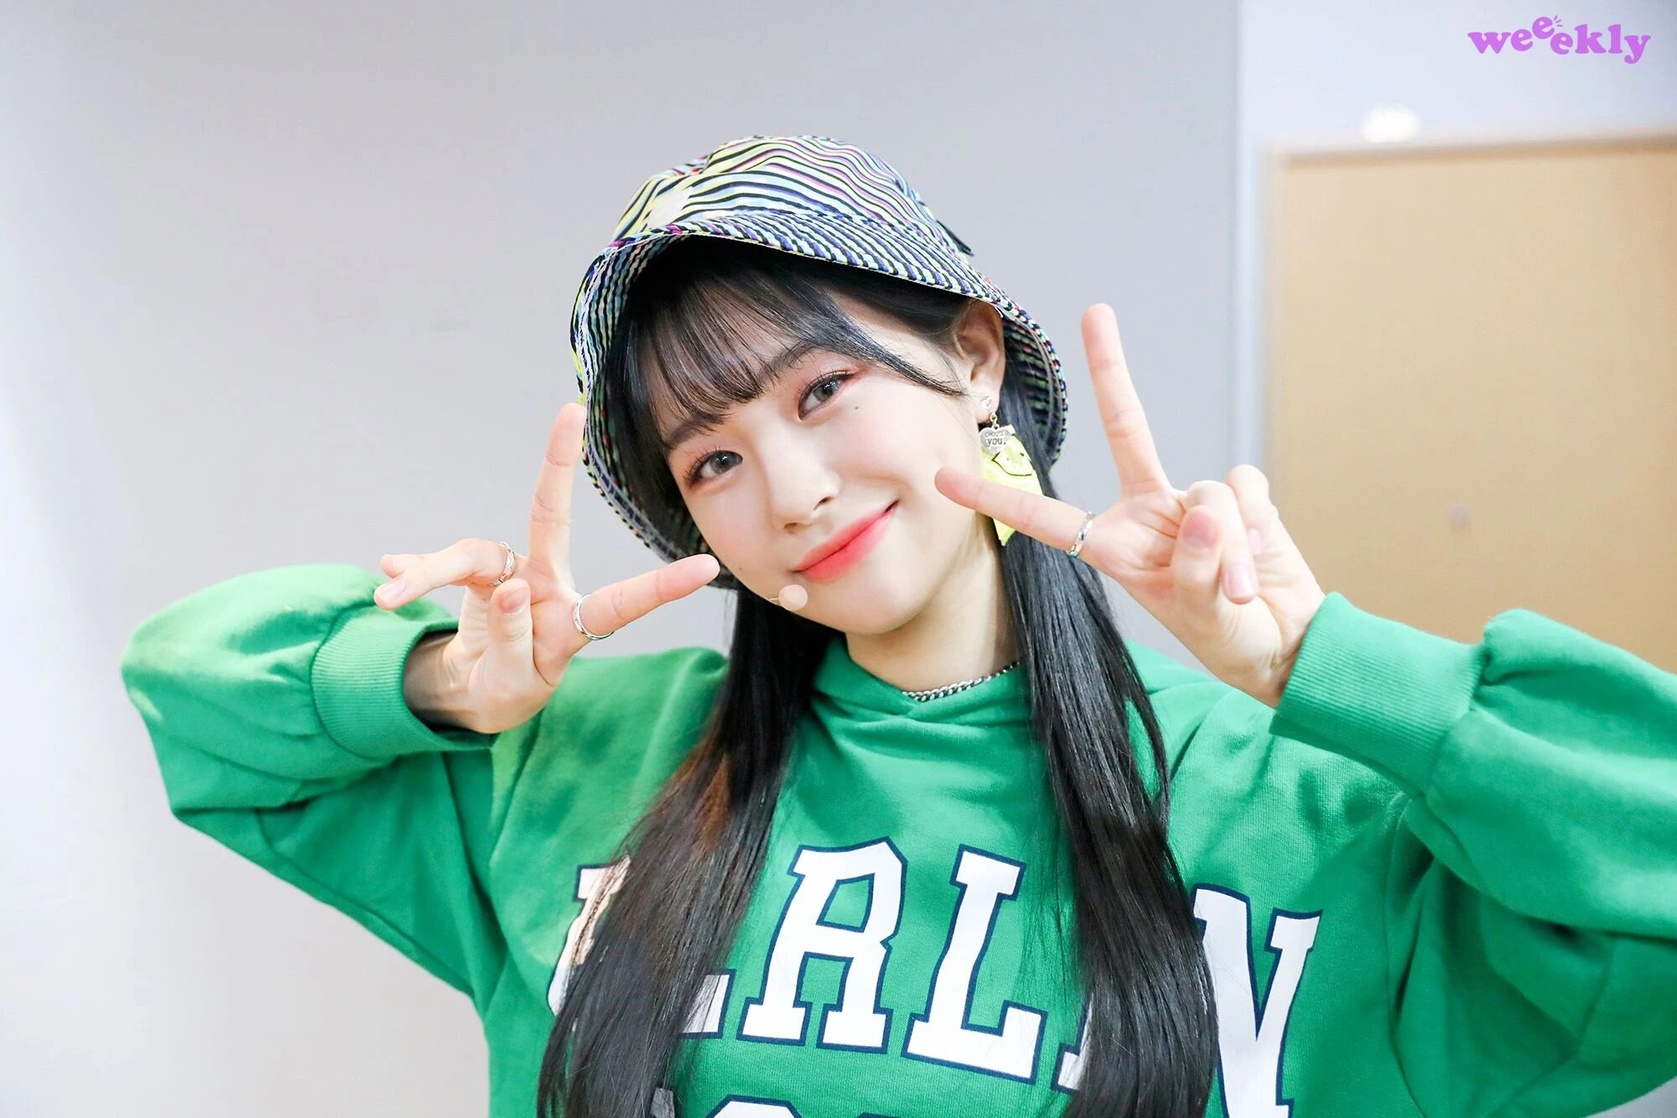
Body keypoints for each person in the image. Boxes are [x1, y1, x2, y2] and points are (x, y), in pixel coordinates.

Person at [120, 135, 1677, 1118]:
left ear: (975, 359)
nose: (791, 489)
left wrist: (1319, 668)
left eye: (821, 390)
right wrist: (439, 682)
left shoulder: (1287, 805)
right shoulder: (586, 762)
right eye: (711, 460)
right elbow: (191, 689)